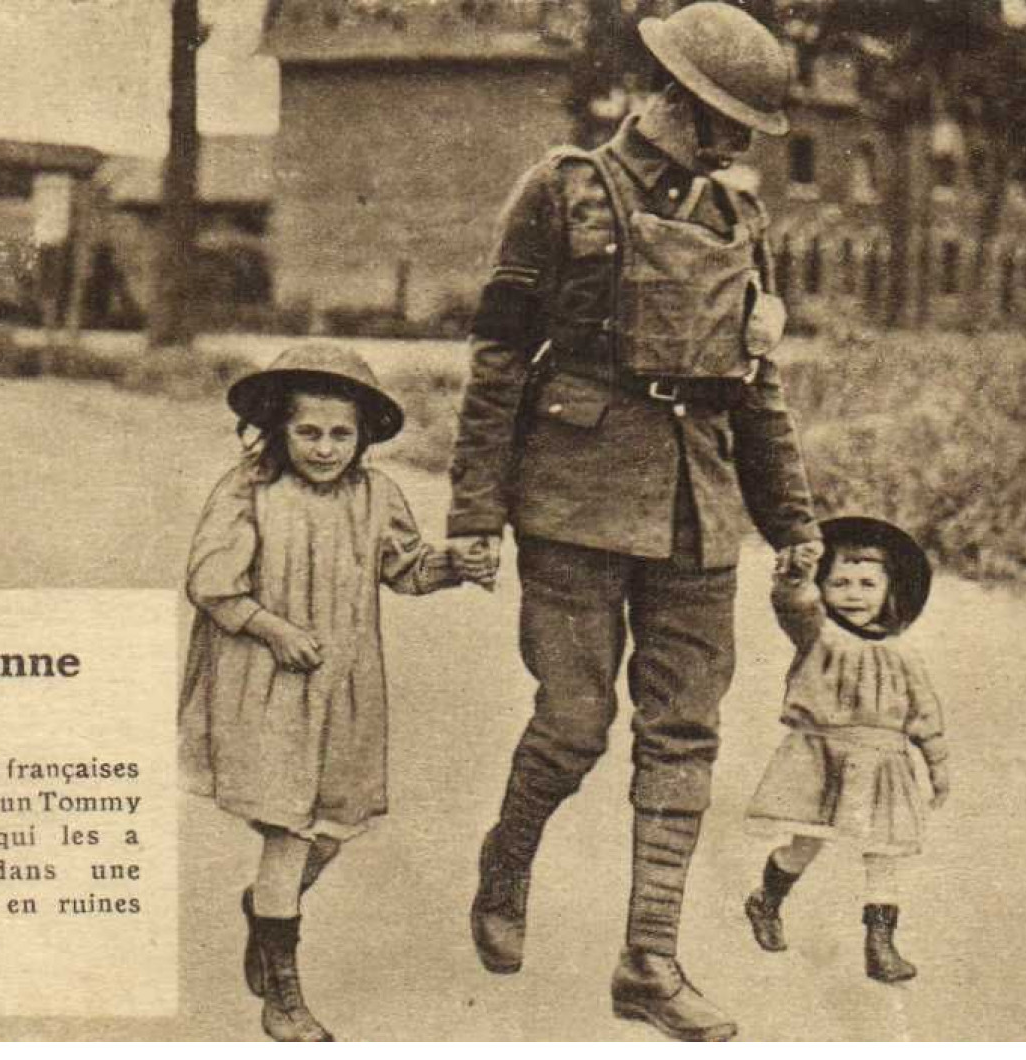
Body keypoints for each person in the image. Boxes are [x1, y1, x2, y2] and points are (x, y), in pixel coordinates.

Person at [447, 3, 821, 1042]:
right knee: (573, 725)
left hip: (697, 508)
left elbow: (756, 387)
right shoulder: (562, 190)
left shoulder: (738, 221)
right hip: (571, 492)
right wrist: (475, 513)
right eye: (724, 119)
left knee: (684, 732)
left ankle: (647, 963)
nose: (737, 143)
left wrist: (793, 520)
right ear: (673, 99)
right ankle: (506, 860)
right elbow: (494, 360)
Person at [178, 343, 492, 1042]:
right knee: (287, 833)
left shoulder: (377, 495)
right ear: (278, 429)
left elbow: (404, 568)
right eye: (307, 432)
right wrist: (272, 629)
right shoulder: (248, 491)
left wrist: (453, 566)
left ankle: (265, 911)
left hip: (345, 687)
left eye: (340, 434)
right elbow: (212, 584)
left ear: (363, 436)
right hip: (266, 684)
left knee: (333, 826)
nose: (324, 448)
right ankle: (283, 998)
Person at [742, 516, 951, 983]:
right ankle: (767, 899)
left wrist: (937, 764)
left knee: (884, 850)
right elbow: (793, 606)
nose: (854, 594)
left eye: (866, 584)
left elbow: (924, 714)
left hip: (885, 763)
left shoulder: (903, 653)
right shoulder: (819, 636)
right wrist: (794, 579)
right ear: (824, 589)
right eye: (840, 583)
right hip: (824, 757)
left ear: (888, 589)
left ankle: (880, 945)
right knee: (806, 842)